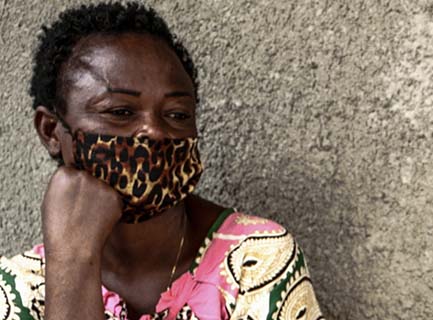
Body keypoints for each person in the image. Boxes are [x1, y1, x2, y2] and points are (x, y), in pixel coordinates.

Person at [0, 2, 323, 319]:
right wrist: (72, 263)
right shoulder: (17, 290)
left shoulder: (254, 262)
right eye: (121, 112)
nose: (154, 132)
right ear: (51, 131)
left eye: (177, 115)